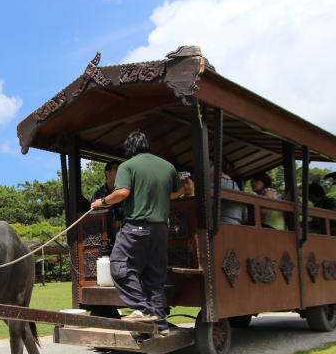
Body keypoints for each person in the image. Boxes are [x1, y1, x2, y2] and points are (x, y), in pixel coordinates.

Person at [90, 131, 192, 334]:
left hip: (137, 227)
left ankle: (143, 309)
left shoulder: (128, 166)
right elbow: (179, 192)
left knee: (118, 265)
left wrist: (101, 202)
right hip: (161, 229)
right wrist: (160, 197)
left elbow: (122, 193)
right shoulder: (167, 166)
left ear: (129, 147)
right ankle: (160, 325)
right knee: (154, 277)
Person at [90, 161, 124, 245]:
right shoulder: (98, 194)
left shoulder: (124, 192)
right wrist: (111, 222)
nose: (120, 172)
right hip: (104, 234)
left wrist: (122, 221)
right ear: (107, 173)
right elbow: (94, 216)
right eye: (116, 169)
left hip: (124, 231)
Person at [212, 160, 245, 225]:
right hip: (235, 222)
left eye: (210, 165)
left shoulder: (221, 182)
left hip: (224, 222)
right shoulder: (232, 183)